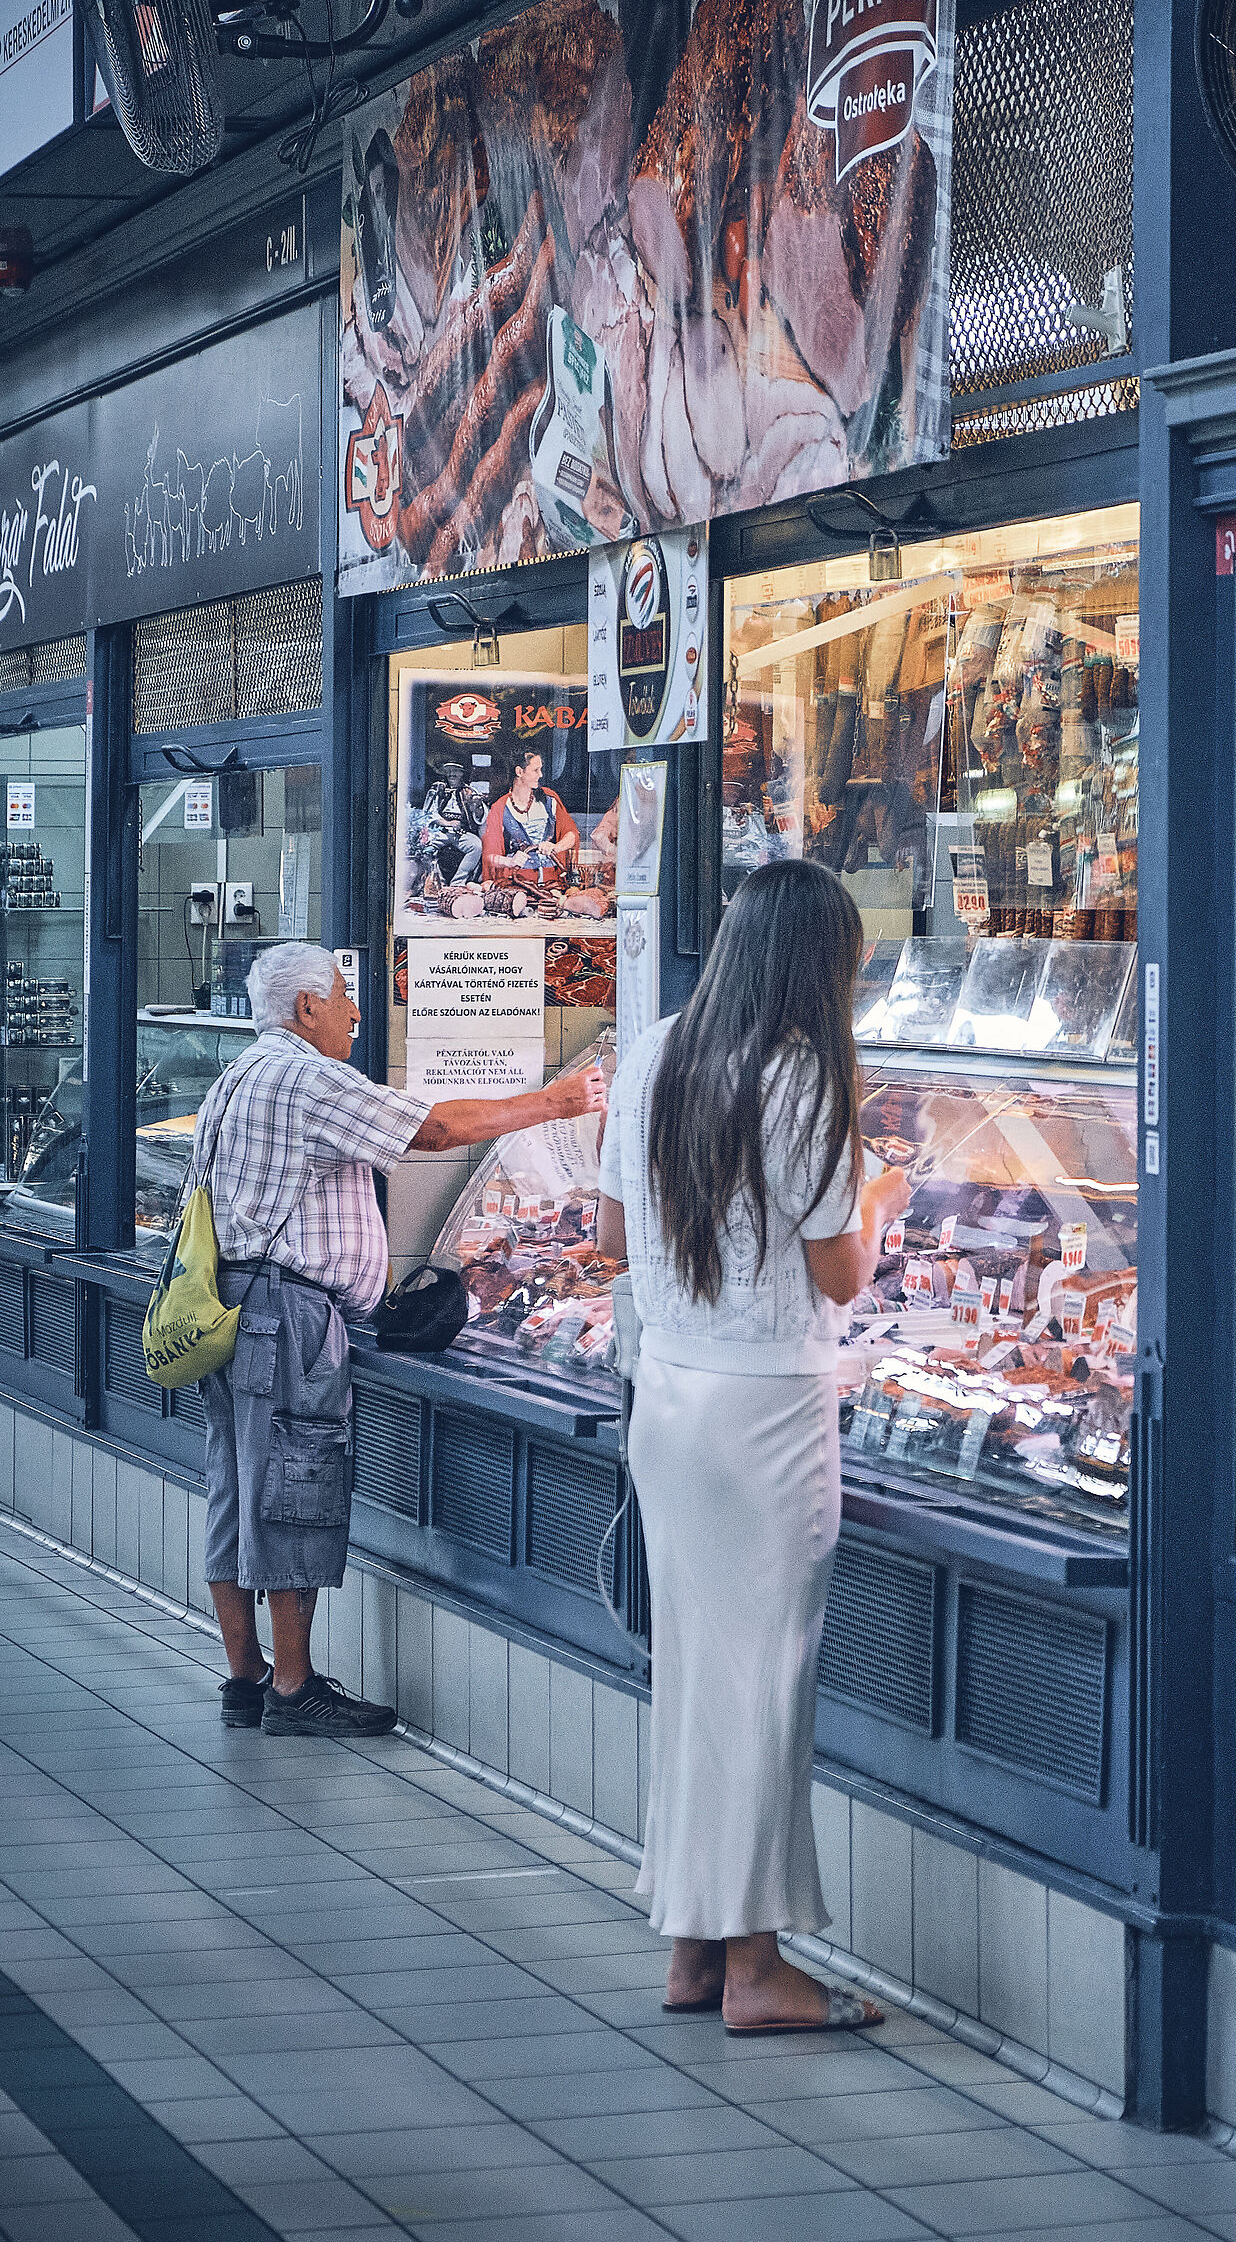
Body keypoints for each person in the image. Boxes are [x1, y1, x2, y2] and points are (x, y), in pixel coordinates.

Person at [595, 861, 911, 2033]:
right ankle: (756, 1970)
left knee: (696, 1684)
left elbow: (613, 1237)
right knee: (762, 1690)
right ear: (821, 963)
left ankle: (691, 1946)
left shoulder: (655, 1054)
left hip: (670, 1403)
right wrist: (881, 1201)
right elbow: (839, 1271)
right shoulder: (805, 1080)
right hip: (770, 1413)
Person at [195, 941, 606, 1738]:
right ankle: (292, 1688)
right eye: (344, 995)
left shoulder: (238, 1075)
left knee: (237, 1492)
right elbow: (435, 1128)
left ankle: (244, 1681)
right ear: (306, 1007)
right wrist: (553, 1104)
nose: (355, 1010)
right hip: (288, 1315)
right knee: (291, 1488)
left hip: (234, 1310)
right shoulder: (305, 1075)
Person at [481, 745, 578, 893]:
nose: (540, 775)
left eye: (540, 769)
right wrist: (510, 861)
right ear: (519, 771)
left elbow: (572, 834)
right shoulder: (500, 808)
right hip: (516, 882)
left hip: (553, 880)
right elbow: (489, 856)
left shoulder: (549, 799)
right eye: (535, 770)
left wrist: (555, 847)